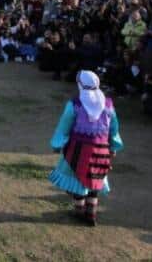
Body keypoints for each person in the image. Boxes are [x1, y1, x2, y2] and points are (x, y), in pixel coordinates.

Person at [49, 71, 124, 226]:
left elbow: (64, 126)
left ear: (80, 85)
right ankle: (91, 213)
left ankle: (79, 211)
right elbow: (114, 128)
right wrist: (114, 146)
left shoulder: (74, 104)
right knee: (95, 179)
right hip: (101, 150)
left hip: (78, 151)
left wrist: (57, 144)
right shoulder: (108, 105)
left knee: (78, 180)